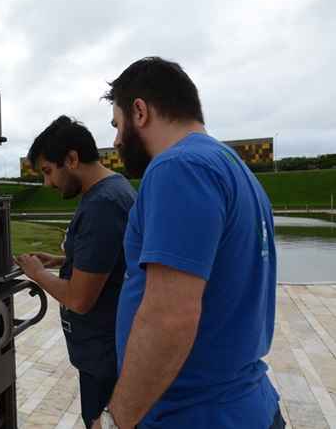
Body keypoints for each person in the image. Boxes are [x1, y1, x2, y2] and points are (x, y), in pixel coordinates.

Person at [93, 57, 284, 428]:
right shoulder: (235, 168)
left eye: (117, 125)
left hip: (194, 415)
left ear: (140, 111)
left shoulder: (178, 168)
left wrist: (117, 421)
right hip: (246, 406)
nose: (116, 140)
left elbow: (169, 317)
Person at [15, 116, 136, 427]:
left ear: (71, 158)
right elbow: (109, 259)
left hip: (105, 358)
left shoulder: (102, 205)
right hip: (106, 351)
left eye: (48, 171)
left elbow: (80, 299)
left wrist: (38, 273)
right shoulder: (113, 189)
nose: (47, 183)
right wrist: (59, 260)